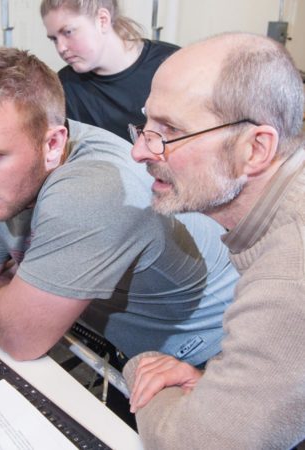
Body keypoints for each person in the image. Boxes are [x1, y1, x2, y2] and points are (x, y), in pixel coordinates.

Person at [0, 47, 238, 390]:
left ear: (53, 144)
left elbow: (21, 338)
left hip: (210, 353)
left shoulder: (97, 189)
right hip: (118, 344)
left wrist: (3, 280)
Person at [124, 32, 305, 449]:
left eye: (169, 130)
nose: (139, 152)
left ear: (255, 149)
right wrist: (217, 386)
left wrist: (142, 366)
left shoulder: (290, 275)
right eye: (146, 124)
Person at [40, 0, 178, 141]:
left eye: (68, 32)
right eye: (54, 39)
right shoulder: (64, 87)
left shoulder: (172, 64)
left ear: (102, 20)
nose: (61, 48)